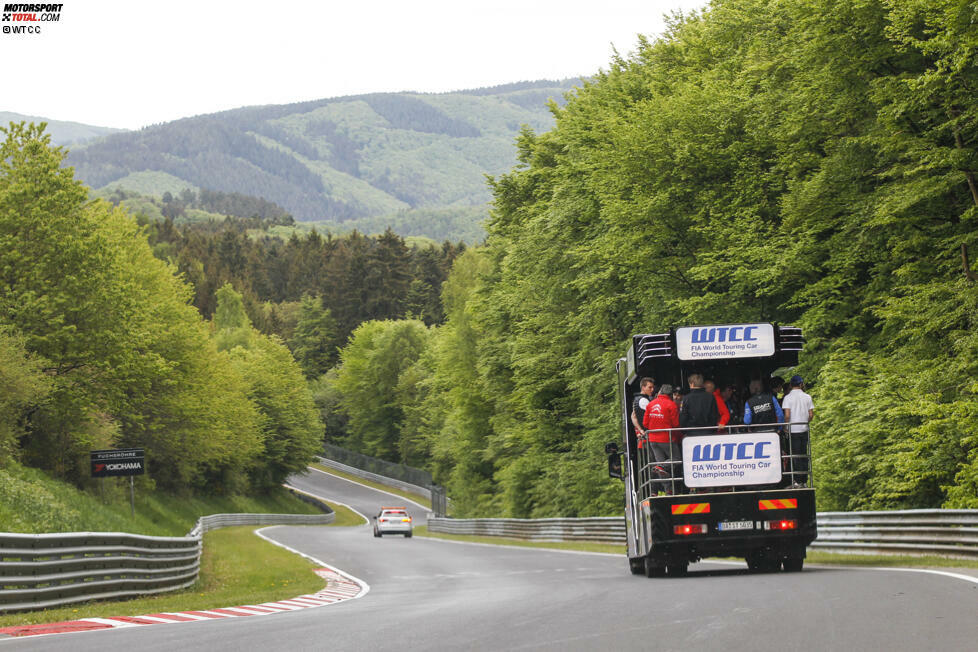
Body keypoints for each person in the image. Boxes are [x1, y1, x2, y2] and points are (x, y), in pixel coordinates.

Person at [642, 384, 681, 493]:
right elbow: (676, 424)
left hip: (653, 440)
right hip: (666, 438)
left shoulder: (650, 404)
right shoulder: (671, 405)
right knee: (677, 458)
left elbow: (645, 423)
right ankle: (661, 467)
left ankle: (668, 489)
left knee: (661, 468)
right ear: (670, 395)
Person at [781, 375, 814, 487]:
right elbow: (811, 415)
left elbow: (787, 415)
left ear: (791, 385)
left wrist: (785, 426)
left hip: (793, 430)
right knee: (804, 455)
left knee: (794, 455)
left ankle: (796, 480)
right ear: (801, 384)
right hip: (804, 429)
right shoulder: (807, 397)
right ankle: (804, 480)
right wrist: (805, 421)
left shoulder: (787, 398)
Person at [631, 377, 655, 446]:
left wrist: (640, 430)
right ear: (643, 387)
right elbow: (654, 416)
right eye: (650, 387)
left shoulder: (636, 399)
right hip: (649, 434)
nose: (652, 390)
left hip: (645, 434)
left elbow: (633, 417)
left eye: (653, 387)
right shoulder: (644, 400)